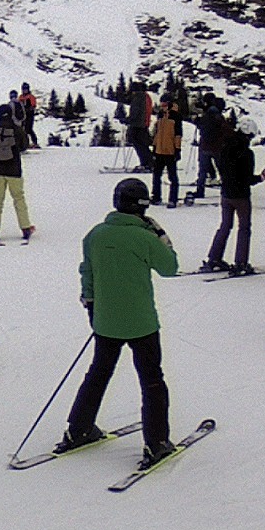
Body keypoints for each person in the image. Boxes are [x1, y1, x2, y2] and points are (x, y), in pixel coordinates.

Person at [56, 178, 179, 468]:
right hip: (141, 323)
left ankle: (79, 427)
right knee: (151, 381)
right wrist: (160, 234)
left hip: (106, 320)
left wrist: (91, 303)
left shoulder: (95, 235)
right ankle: (156, 442)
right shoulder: (145, 237)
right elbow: (170, 268)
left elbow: (87, 272)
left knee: (98, 373)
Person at [201, 117, 265, 274]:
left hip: (226, 193)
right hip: (241, 196)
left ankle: (214, 258)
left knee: (225, 226)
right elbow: (247, 179)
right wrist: (262, 177)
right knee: (244, 228)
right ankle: (241, 263)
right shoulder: (246, 153)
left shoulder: (225, 148)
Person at [0, 103, 34, 242]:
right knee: (19, 199)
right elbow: (24, 145)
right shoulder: (16, 129)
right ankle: (26, 228)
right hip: (14, 170)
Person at [189, 95, 226, 201]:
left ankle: (200, 190)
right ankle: (226, 189)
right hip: (217, 146)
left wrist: (197, 120)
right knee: (222, 169)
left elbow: (202, 125)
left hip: (205, 145)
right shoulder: (218, 115)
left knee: (203, 170)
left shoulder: (207, 114)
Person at [149, 95, 183, 208]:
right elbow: (157, 133)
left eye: (164, 104)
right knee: (156, 175)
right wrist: (154, 146)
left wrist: (177, 150)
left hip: (170, 151)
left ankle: (173, 199)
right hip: (159, 150)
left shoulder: (176, 116)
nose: (162, 106)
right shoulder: (160, 115)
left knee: (172, 177)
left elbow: (178, 134)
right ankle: (156, 197)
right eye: (161, 104)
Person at [126, 82, 153, 172]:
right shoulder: (146, 96)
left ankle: (147, 163)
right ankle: (149, 162)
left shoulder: (138, 97)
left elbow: (135, 111)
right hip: (143, 124)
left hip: (137, 125)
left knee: (139, 144)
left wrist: (128, 120)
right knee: (143, 144)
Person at [19, 82, 40, 148]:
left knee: (29, 129)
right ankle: (24, 142)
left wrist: (28, 109)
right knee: (23, 129)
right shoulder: (21, 97)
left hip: (29, 115)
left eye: (26, 89)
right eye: (23, 89)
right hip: (23, 116)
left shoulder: (31, 97)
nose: (25, 90)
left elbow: (33, 105)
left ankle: (34, 142)